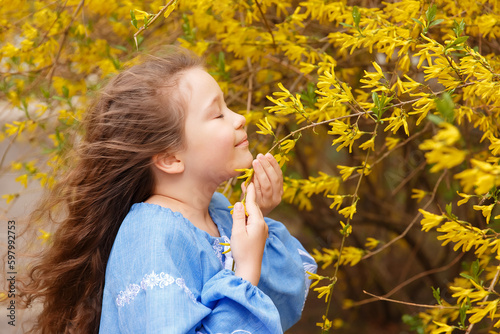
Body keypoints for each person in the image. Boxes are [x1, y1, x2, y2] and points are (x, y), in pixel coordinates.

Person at [21, 48, 317, 334]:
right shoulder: (150, 236)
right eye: (218, 114)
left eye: (227, 106)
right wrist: (247, 269)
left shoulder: (217, 211)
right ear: (170, 158)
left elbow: (281, 301)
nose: (240, 118)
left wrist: (256, 218)